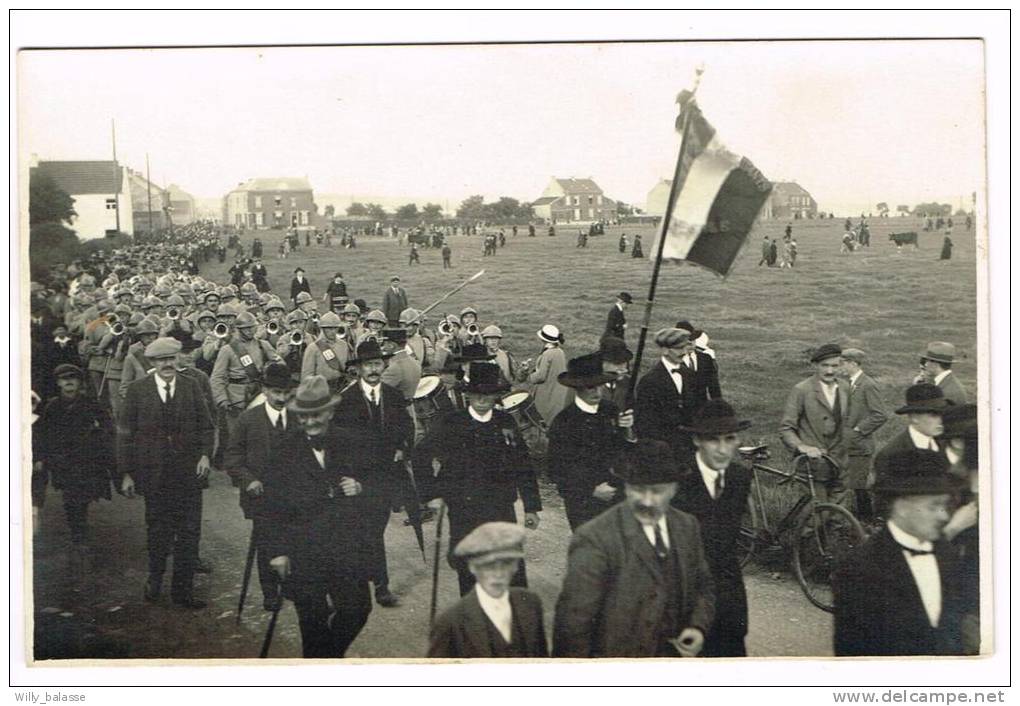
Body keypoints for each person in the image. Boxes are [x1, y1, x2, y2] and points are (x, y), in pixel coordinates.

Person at [552, 439, 715, 657]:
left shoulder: (687, 526)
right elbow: (573, 624)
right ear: (626, 488)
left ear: (674, 489)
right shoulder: (594, 537)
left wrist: (697, 627)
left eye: (657, 491)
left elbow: (703, 587)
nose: (647, 501)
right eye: (638, 489)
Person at [262, 375, 373, 657]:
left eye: (317, 415)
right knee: (313, 622)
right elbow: (270, 508)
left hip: (345, 548)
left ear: (331, 412)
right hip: (303, 551)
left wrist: (362, 486)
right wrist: (277, 552)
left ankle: (327, 659)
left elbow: (381, 480)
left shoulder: (351, 441)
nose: (310, 423)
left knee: (358, 610)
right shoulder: (283, 450)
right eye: (304, 417)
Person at [415, 362, 542, 595]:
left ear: (495, 396)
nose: (482, 399)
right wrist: (431, 493)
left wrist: (532, 506)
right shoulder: (452, 422)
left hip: (501, 508)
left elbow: (522, 464)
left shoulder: (505, 423)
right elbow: (420, 455)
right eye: (477, 393)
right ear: (469, 393)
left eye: (488, 394)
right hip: (465, 510)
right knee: (471, 574)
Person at [832, 449, 965, 656]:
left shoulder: (948, 554)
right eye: (933, 506)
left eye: (946, 505)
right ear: (902, 507)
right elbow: (854, 656)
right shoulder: (859, 568)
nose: (944, 516)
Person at [117, 337, 215, 609]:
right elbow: (125, 435)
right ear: (152, 363)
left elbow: (207, 426)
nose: (167, 364)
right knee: (158, 531)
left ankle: (182, 592)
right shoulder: (138, 391)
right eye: (161, 360)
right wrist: (126, 473)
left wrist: (206, 454)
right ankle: (155, 578)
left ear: (179, 359)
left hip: (188, 475)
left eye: (172, 358)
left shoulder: (191, 386)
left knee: (189, 532)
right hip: (154, 475)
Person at [332, 339, 413, 608]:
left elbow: (406, 427)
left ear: (383, 365)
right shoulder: (345, 400)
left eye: (377, 364)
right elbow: (336, 444)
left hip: (385, 478)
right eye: (368, 365)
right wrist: (344, 477)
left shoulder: (393, 396)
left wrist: (403, 447)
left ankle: (375, 582)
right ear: (359, 369)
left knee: (374, 530)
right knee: (360, 531)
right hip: (356, 479)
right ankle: (373, 584)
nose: (373, 369)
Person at [672, 400, 752, 657]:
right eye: (713, 440)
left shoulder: (739, 477)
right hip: (685, 597)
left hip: (728, 596)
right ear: (697, 440)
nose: (722, 449)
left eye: (730, 439)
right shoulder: (676, 478)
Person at [222, 362, 295, 612]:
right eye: (276, 392)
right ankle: (270, 591)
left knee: (293, 539)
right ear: (264, 390)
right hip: (261, 494)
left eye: (286, 393)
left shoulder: (298, 418)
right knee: (266, 543)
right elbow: (232, 458)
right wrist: (248, 480)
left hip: (293, 495)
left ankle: (290, 584)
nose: (281, 398)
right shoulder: (248, 420)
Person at [427, 522, 548, 658]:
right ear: (472, 567)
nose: (498, 573)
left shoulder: (530, 604)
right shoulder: (451, 623)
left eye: (506, 564)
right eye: (488, 565)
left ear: (515, 566)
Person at [32, 364, 114, 563]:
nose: (69, 382)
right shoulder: (52, 407)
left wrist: (98, 433)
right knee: (71, 499)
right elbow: (43, 434)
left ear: (80, 382)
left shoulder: (91, 404)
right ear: (58, 383)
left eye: (73, 379)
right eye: (64, 379)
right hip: (63, 462)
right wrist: (41, 458)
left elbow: (107, 428)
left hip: (87, 460)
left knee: (82, 497)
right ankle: (78, 536)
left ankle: (80, 533)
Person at [547, 353, 632, 531]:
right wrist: (590, 490)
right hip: (583, 505)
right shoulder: (564, 422)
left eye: (600, 386)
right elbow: (557, 470)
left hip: (617, 499)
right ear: (578, 388)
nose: (597, 392)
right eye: (590, 387)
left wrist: (629, 430)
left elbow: (624, 450)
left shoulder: (611, 410)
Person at [778, 343, 851, 507]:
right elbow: (786, 428)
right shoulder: (802, 390)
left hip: (840, 461)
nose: (830, 371)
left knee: (839, 512)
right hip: (814, 464)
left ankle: (836, 532)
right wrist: (802, 447)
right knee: (814, 515)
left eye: (835, 366)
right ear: (815, 366)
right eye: (824, 365)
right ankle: (809, 532)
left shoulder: (845, 387)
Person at [840, 348, 890, 521]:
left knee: (859, 486)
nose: (841, 366)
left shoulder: (868, 384)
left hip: (861, 445)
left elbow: (880, 415)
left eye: (844, 363)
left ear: (853, 363)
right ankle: (858, 521)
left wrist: (859, 430)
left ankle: (867, 523)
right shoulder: (850, 383)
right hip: (850, 444)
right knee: (852, 485)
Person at [634, 327, 697, 462]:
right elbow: (645, 423)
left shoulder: (689, 375)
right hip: (663, 451)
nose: (684, 352)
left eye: (686, 348)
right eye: (679, 348)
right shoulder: (649, 381)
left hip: (690, 448)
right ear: (664, 350)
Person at [872, 383, 951, 478]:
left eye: (943, 413)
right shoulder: (891, 456)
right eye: (934, 415)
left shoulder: (948, 444)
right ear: (914, 418)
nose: (941, 420)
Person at [527, 324, 569, 426]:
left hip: (547, 390)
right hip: (559, 391)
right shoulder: (560, 352)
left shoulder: (547, 354)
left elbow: (541, 376)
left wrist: (530, 377)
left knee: (542, 417)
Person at [300, 312, 351, 392]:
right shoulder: (313, 348)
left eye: (335, 328)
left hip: (341, 387)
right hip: (321, 390)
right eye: (329, 328)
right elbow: (307, 376)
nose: (333, 331)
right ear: (322, 329)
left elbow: (348, 368)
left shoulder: (344, 345)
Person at [674, 320, 722, 405]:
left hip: (702, 411)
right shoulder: (673, 362)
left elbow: (714, 389)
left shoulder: (706, 359)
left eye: (692, 339)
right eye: (686, 339)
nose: (690, 343)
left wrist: (718, 409)